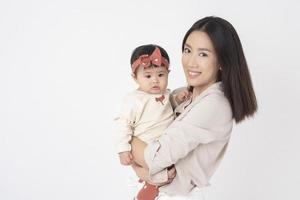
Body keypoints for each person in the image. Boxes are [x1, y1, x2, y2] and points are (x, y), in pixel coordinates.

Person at [130, 16, 258, 200]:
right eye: (187, 50)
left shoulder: (214, 105)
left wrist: (129, 138)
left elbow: (157, 158)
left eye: (203, 54)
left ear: (222, 61)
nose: (191, 62)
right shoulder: (186, 96)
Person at [114, 44, 189, 200]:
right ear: (135, 77)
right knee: (163, 174)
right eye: (148, 76)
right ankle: (149, 186)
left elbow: (171, 105)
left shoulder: (168, 94)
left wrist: (179, 98)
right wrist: (123, 149)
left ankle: (151, 185)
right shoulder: (133, 100)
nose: (155, 81)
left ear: (168, 74)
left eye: (161, 75)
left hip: (166, 144)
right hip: (146, 144)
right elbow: (123, 124)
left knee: (174, 169)